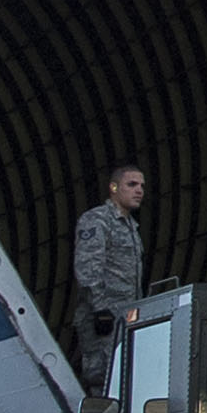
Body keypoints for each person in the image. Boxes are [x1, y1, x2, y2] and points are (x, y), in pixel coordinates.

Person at [68, 164, 151, 397]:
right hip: (104, 318)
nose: (139, 190)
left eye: (142, 186)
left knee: (125, 378)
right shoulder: (97, 220)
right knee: (103, 378)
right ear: (114, 188)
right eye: (131, 184)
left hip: (125, 316)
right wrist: (100, 310)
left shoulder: (131, 227)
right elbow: (88, 268)